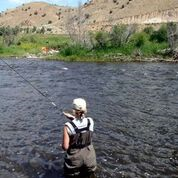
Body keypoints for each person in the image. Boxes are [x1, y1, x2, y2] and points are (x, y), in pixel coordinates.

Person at [62, 98, 97, 178]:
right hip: (90, 158)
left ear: (73, 110)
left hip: (74, 160)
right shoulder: (90, 121)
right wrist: (73, 118)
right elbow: (81, 124)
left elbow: (65, 147)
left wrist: (73, 120)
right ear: (85, 109)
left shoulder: (68, 126)